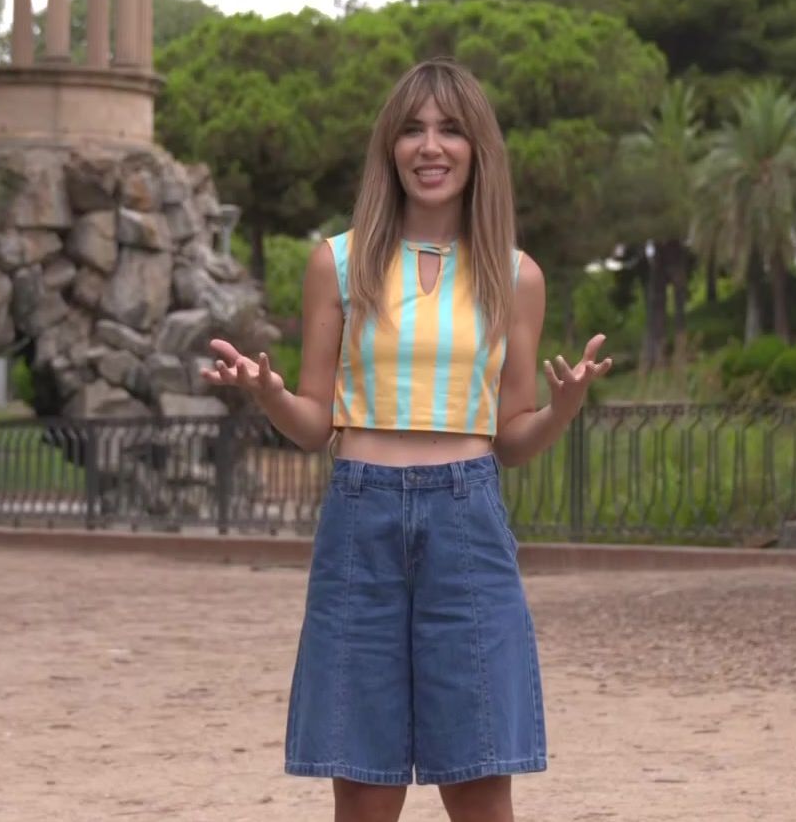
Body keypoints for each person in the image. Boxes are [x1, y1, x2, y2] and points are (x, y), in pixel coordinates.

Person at [201, 57, 612, 822]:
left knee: (480, 780)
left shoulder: (516, 276)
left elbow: (512, 437)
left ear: (478, 149)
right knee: (362, 786)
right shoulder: (337, 262)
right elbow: (315, 425)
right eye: (413, 130)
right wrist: (268, 393)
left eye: (451, 130)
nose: (431, 146)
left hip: (468, 522)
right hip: (361, 520)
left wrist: (562, 409)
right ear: (389, 148)